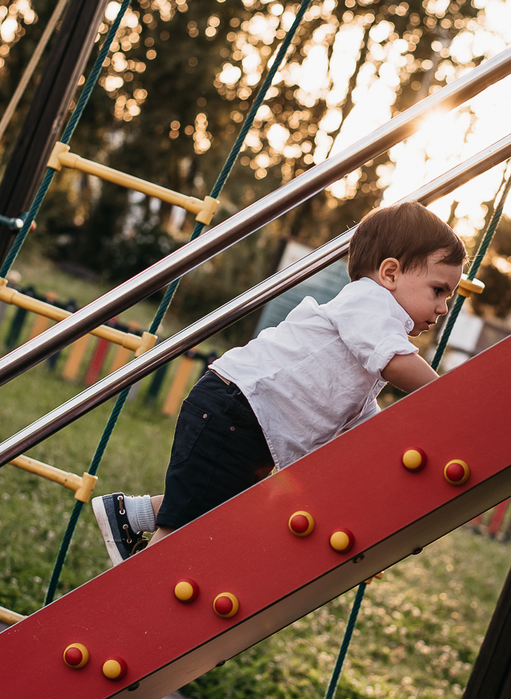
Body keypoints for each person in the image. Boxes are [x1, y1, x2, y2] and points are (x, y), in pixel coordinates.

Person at [92, 202, 467, 565]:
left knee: (216, 506)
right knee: (186, 530)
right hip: (238, 409)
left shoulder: (373, 331)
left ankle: (131, 514)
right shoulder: (369, 302)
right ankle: (148, 579)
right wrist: (449, 395)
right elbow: (399, 364)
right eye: (438, 290)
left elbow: (358, 408)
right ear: (390, 273)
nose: (443, 308)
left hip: (247, 420)